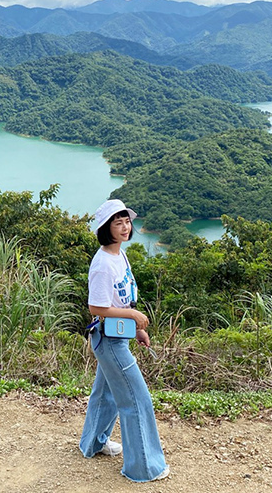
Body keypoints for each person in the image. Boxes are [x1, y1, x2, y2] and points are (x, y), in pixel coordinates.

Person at [79, 199, 170, 482]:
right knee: (136, 400)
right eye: (117, 223)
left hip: (117, 334)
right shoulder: (103, 264)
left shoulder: (119, 255)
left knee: (105, 395)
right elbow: (97, 307)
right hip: (108, 339)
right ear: (106, 229)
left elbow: (122, 298)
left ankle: (93, 444)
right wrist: (132, 314)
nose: (125, 227)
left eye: (127, 221)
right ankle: (143, 467)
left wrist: (136, 328)